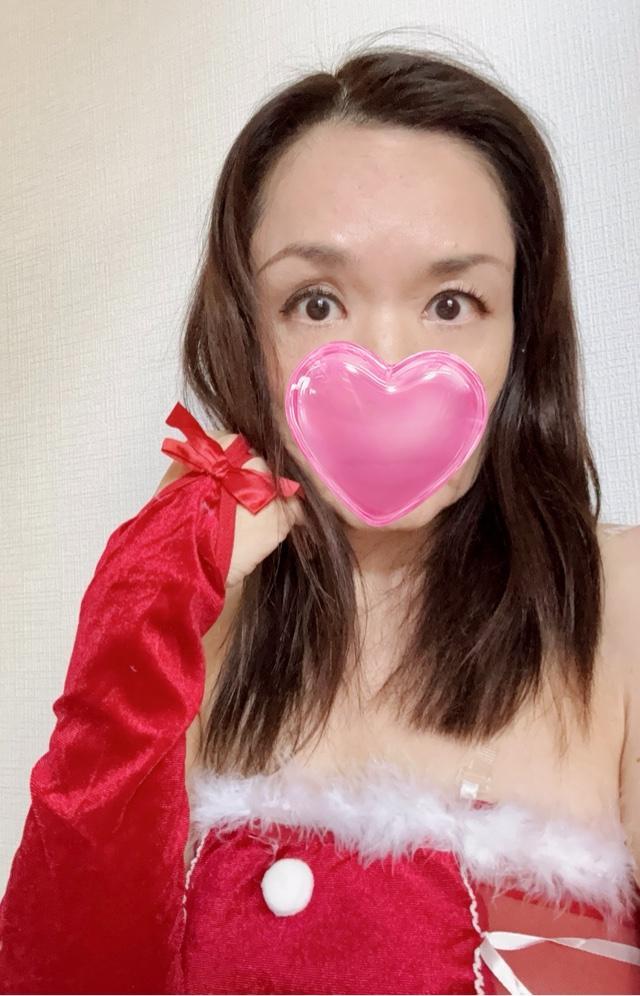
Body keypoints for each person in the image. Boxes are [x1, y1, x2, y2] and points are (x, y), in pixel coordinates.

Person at [1, 42, 640, 995]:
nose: (386, 361)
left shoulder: (619, 609)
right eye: (316, 302)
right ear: (245, 330)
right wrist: (137, 619)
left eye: (453, 302)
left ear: (523, 337)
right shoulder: (192, 621)